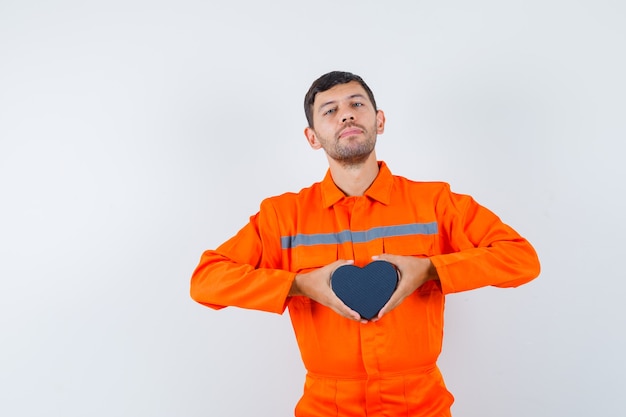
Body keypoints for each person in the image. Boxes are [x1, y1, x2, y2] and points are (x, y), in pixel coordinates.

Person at [190, 71, 540, 416]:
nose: (346, 114)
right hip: (327, 408)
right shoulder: (282, 217)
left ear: (380, 120)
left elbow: (521, 258)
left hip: (422, 406)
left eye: (357, 103)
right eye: (329, 110)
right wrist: (297, 285)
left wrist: (431, 269)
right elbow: (206, 281)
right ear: (312, 137)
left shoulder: (436, 203)